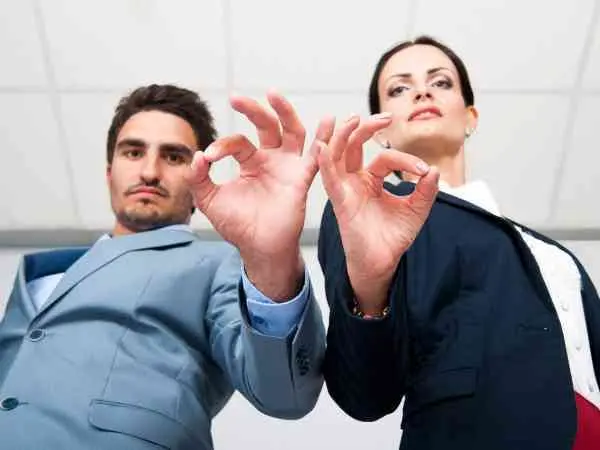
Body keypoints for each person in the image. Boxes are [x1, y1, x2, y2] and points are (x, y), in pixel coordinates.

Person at [0, 84, 329, 450]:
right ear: (109, 172)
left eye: (173, 157)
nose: (149, 172)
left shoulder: (217, 263)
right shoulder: (40, 275)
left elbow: (285, 393)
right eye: (133, 152)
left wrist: (272, 260)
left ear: (199, 179)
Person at [317, 36, 600, 449]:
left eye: (441, 82)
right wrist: (370, 286)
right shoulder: (362, 214)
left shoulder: (553, 254)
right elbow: (364, 394)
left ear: (470, 117)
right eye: (399, 88)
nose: (422, 91)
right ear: (381, 132)